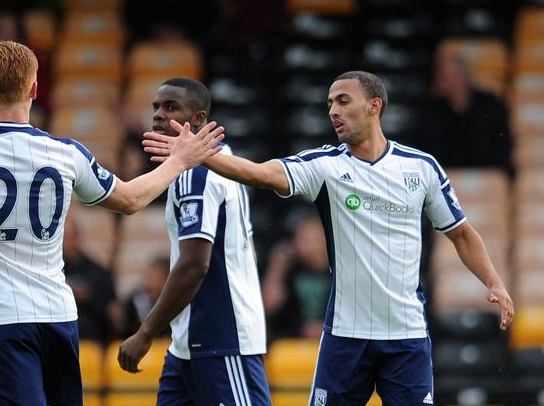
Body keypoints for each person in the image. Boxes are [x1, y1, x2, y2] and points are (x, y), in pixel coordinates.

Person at [143, 71, 515, 406]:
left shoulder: (421, 168)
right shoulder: (326, 166)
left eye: (342, 101)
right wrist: (197, 155)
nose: (333, 111)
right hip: (345, 338)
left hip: (407, 336)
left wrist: (493, 281)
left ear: (374, 106)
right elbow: (258, 173)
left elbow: (461, 233)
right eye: (328, 104)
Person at [0, 41, 224, 405]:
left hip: (3, 322)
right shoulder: (66, 152)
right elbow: (132, 199)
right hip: (60, 319)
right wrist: (178, 161)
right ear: (34, 89)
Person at [117, 78, 271, 405]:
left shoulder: (195, 174)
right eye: (156, 107)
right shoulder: (217, 160)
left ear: (198, 119)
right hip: (188, 345)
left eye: (171, 107)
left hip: (221, 341)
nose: (158, 115)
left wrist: (145, 333)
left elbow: (194, 265)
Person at [425, 53, 514, 177]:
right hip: (448, 177)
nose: (440, 81)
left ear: (462, 77)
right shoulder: (434, 109)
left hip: (487, 174)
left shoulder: (489, 104)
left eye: (447, 76)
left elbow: (500, 146)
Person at [263, 214, 331, 340]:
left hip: (330, 341)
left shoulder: (339, 272)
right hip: (291, 344)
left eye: (310, 240)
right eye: (300, 239)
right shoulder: (290, 269)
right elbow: (269, 306)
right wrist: (276, 269)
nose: (302, 245)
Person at [63, 215, 121, 347]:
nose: (64, 242)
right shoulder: (49, 272)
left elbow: (112, 314)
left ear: (78, 237)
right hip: (59, 341)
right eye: (62, 238)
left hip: (93, 341)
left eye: (68, 237)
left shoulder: (98, 273)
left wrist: (89, 297)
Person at [120, 255, 170, 338]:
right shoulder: (135, 302)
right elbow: (125, 331)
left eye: (154, 279)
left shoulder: (178, 304)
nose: (148, 284)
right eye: (148, 278)